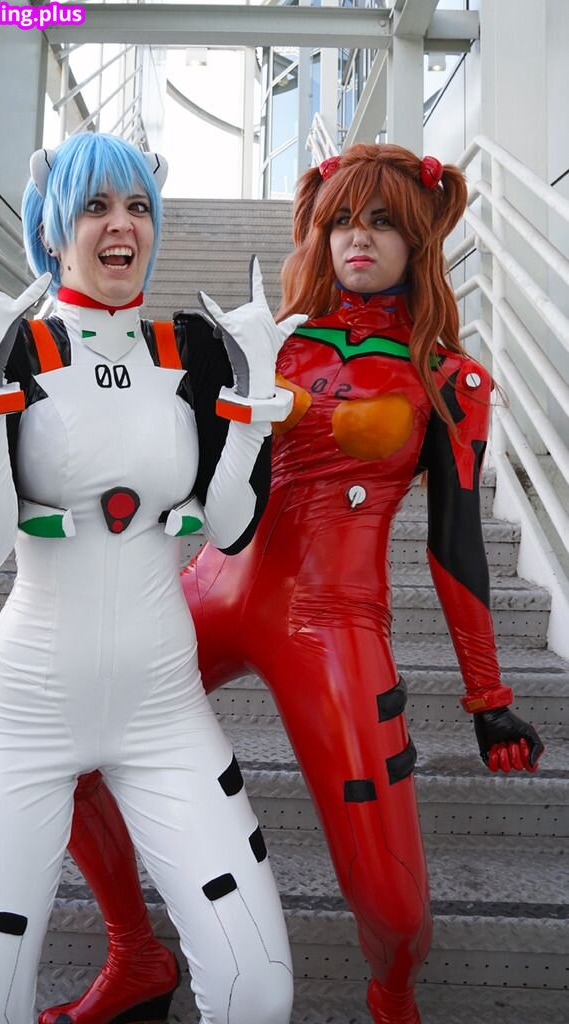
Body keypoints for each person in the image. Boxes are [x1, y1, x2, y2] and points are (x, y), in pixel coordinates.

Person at [38, 142, 545, 1024]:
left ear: (418, 238)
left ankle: (391, 993)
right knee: (58, 755)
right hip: (211, 587)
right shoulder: (267, 341)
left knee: (394, 907)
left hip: (335, 625)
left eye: (382, 221)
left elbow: (456, 543)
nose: (358, 237)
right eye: (341, 219)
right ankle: (138, 955)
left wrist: (487, 697)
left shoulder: (449, 379)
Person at [0, 131, 307, 1024]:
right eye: (94, 206)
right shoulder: (14, 347)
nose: (120, 225)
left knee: (257, 990)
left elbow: (231, 527)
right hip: (23, 711)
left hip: (163, 709)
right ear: (53, 229)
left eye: (137, 205)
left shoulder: (194, 350)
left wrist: (252, 399)